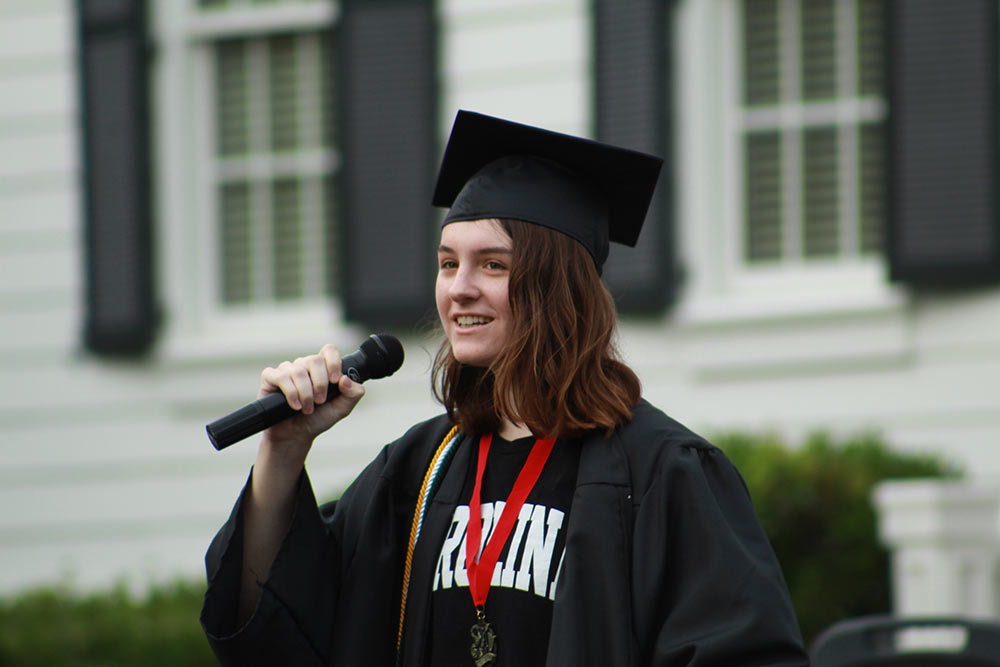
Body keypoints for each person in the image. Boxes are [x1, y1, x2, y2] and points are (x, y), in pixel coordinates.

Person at [200, 110, 809, 666]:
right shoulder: (415, 471)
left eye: (492, 264)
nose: (459, 288)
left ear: (557, 287)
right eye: (447, 263)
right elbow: (289, 628)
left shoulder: (663, 474)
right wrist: (283, 450)